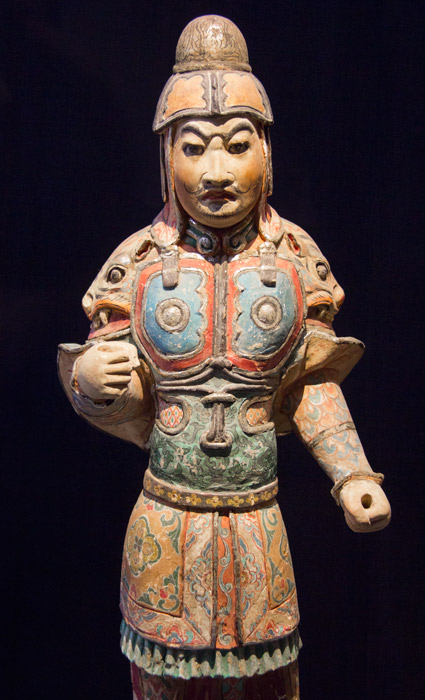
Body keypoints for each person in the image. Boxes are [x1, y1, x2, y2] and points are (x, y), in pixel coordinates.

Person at [58, 15, 391, 700]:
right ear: (165, 157)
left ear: (265, 151)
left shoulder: (293, 260)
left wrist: (351, 472)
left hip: (257, 523)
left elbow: (308, 384)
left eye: (237, 146)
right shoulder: (139, 263)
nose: (215, 172)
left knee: (269, 679)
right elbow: (110, 373)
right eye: (193, 148)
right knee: (161, 679)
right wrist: (92, 380)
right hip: (166, 520)